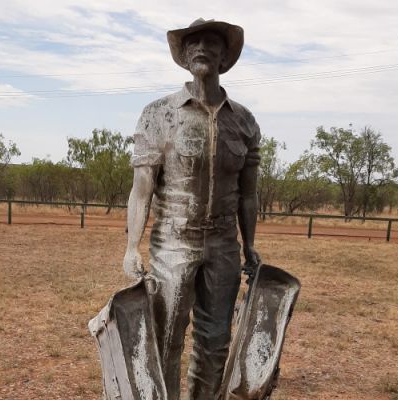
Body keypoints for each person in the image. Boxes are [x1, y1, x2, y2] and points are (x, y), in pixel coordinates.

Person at [123, 18, 261, 399]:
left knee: (215, 341)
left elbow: (248, 194)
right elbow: (141, 189)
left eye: (212, 42)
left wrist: (249, 245)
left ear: (225, 55)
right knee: (166, 338)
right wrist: (131, 246)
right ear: (183, 55)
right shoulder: (159, 115)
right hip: (172, 242)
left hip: (224, 246)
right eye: (194, 42)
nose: (202, 47)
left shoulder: (244, 121)